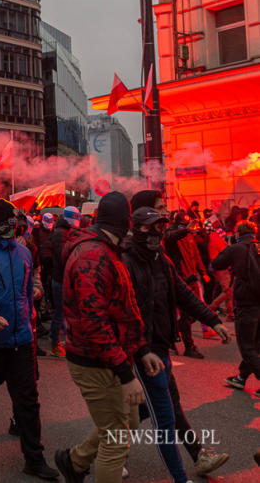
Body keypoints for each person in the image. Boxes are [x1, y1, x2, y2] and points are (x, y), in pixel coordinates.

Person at [54, 192, 164, 483]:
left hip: (108, 356)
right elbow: (95, 324)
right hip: (94, 360)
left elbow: (123, 309)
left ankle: (74, 461)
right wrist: (126, 374)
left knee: (124, 423)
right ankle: (74, 462)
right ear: (123, 220)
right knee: (116, 438)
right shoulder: (93, 255)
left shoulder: (108, 248)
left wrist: (141, 350)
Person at [123, 206, 231, 480]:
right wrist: (141, 350)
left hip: (161, 346)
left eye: (160, 225)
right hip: (141, 351)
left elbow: (183, 293)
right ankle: (181, 476)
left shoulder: (161, 259)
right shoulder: (125, 262)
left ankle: (93, 451)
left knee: (150, 409)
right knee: (166, 416)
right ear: (136, 228)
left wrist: (213, 320)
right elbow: (121, 313)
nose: (156, 232)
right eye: (150, 226)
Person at [0, 199, 58, 481]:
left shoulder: (24, 252)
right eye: (6, 222)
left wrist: (35, 299)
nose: (11, 227)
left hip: (22, 340)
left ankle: (34, 458)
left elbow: (31, 285)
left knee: (28, 401)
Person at [215, 220, 260, 397]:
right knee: (256, 346)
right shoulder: (258, 247)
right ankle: (241, 377)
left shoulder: (237, 248)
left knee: (247, 347)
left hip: (247, 303)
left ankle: (244, 376)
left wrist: (230, 248)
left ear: (237, 233)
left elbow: (217, 263)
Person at [165, 212, 210, 359]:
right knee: (183, 314)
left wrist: (203, 272)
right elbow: (171, 237)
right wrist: (185, 230)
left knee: (190, 314)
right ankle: (187, 346)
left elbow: (196, 255)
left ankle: (173, 335)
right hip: (177, 280)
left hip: (190, 279)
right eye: (183, 225)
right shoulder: (171, 236)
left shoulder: (190, 237)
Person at [49, 206, 80, 357]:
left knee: (64, 313)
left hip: (63, 278)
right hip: (61, 279)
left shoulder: (63, 232)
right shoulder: (61, 233)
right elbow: (63, 256)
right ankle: (55, 343)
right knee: (60, 313)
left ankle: (63, 341)